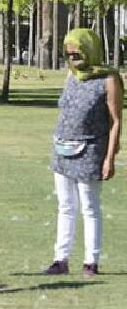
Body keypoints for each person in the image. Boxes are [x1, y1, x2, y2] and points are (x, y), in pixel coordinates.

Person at [44, 28, 123, 277]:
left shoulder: (109, 79)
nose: (72, 56)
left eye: (76, 51)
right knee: (65, 206)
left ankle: (91, 261)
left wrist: (109, 158)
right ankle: (61, 259)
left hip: (90, 151)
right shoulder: (71, 75)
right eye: (68, 52)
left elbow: (116, 121)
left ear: (89, 48)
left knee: (89, 207)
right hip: (62, 149)